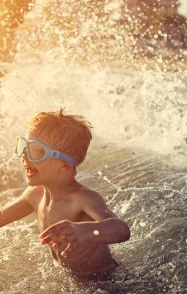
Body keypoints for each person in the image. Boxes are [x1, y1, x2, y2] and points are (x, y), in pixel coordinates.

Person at [0, 109, 130, 279]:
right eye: (24, 146)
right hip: (69, 277)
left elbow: (121, 229)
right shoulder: (34, 195)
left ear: (65, 167)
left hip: (103, 278)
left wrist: (87, 231)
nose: (25, 156)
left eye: (36, 151)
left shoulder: (82, 199)